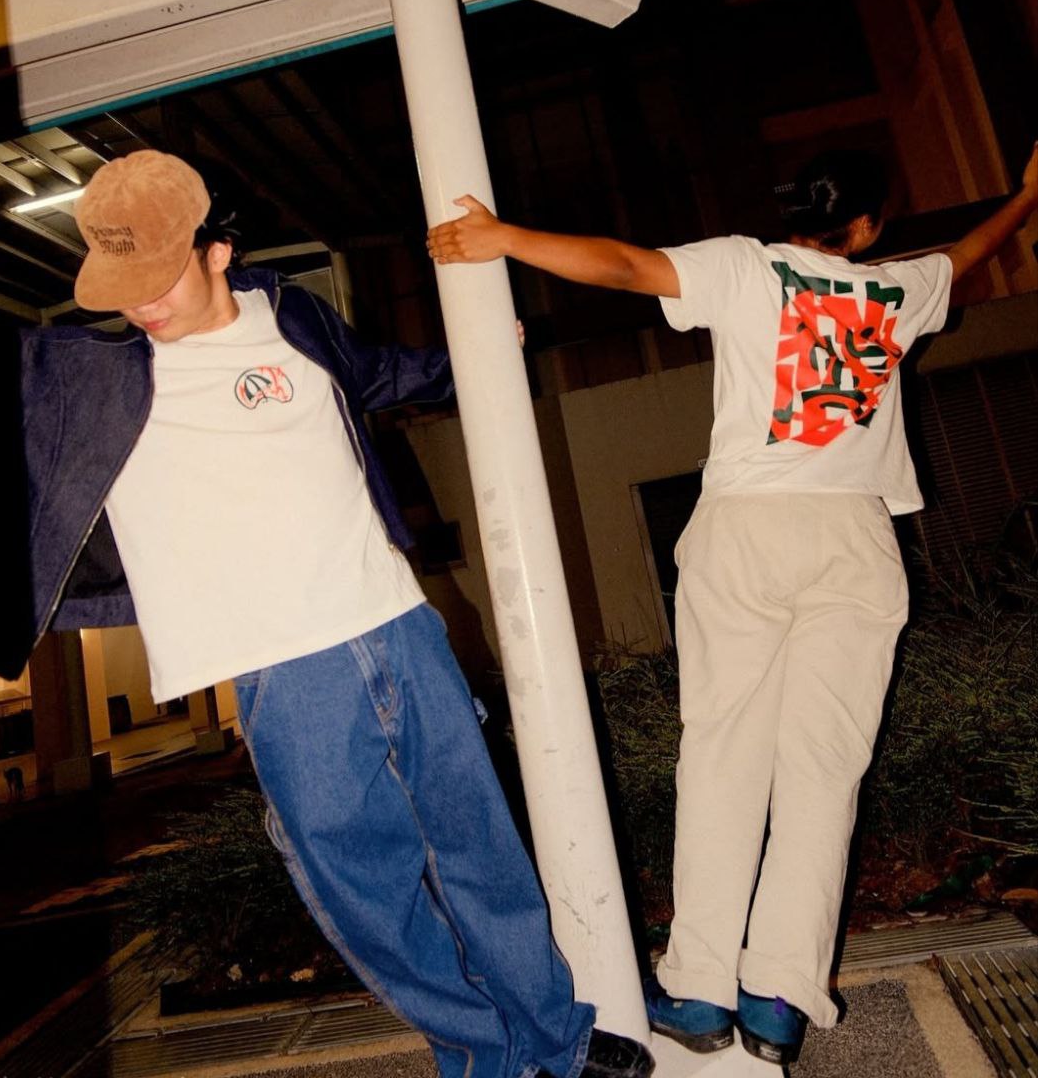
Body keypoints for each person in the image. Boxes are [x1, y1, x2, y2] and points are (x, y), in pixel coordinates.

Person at [0, 150, 654, 1078]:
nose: (140, 305)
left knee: (480, 848)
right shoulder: (77, 379)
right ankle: (486, 1051)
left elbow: (378, 375)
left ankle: (555, 1038)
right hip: (282, 668)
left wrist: (477, 352)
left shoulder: (292, 315)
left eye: (159, 277)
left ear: (218, 250)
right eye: (120, 286)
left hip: (397, 624)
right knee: (365, 889)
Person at [427, 144, 1038, 1065]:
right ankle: (781, 996)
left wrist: (502, 237)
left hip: (747, 529)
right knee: (823, 771)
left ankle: (701, 987)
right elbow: (969, 252)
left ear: (791, 213)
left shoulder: (746, 267)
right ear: (866, 225)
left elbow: (625, 265)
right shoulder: (899, 288)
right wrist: (1026, 197)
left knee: (723, 757)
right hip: (855, 539)